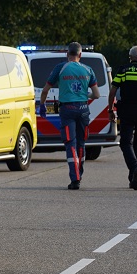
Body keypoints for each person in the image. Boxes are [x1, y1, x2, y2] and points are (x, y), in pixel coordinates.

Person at [39, 42, 101, 190]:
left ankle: (75, 179)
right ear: (80, 55)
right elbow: (97, 95)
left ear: (67, 54)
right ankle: (79, 174)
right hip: (83, 109)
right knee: (81, 143)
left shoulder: (60, 68)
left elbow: (45, 90)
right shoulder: (88, 69)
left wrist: (42, 105)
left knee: (70, 144)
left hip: (67, 110)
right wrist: (85, 95)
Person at [107, 46, 137, 190]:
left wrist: (111, 110)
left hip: (127, 112)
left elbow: (112, 92)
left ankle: (135, 168)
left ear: (130, 57)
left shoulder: (123, 71)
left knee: (125, 143)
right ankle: (134, 177)